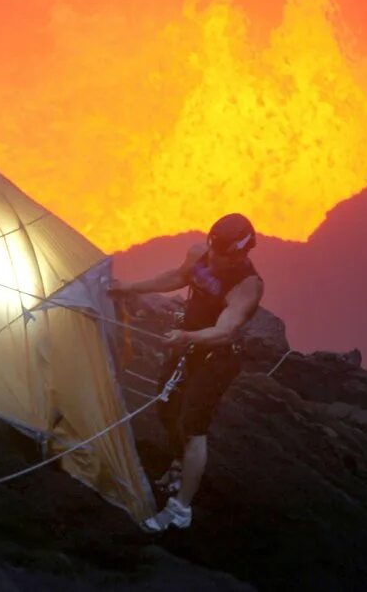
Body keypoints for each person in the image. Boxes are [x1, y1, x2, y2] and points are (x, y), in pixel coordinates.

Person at [108, 212, 263, 532]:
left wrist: (186, 338)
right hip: (188, 346)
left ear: (241, 253)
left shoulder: (248, 286)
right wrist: (132, 288)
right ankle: (179, 464)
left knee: (194, 427)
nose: (216, 259)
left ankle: (181, 510)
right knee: (166, 408)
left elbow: (225, 330)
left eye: (223, 254)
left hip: (217, 358)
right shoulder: (200, 254)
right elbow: (179, 277)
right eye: (215, 251)